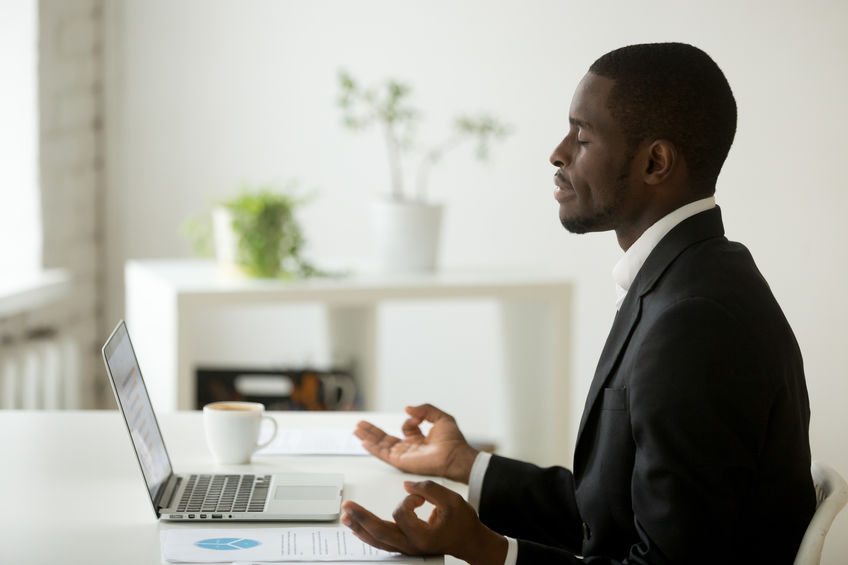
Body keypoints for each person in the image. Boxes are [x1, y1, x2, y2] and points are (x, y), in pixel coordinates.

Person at [340, 42, 816, 564]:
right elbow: (615, 511)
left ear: (655, 162)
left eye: (582, 135)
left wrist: (485, 550)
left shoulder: (694, 320)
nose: (558, 153)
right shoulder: (695, 274)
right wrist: (466, 465)